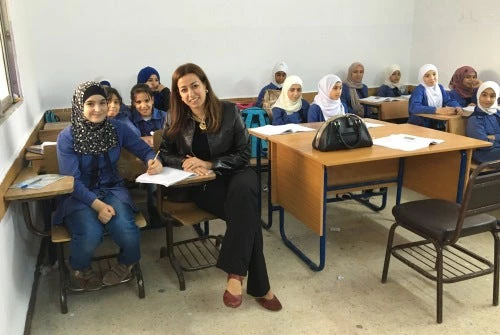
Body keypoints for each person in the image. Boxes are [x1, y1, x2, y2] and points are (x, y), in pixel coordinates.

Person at [158, 63, 282, 311]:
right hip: (205, 185)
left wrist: (210, 162)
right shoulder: (175, 117)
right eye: (183, 90)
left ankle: (235, 274)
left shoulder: (228, 111)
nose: (190, 94)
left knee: (246, 191)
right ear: (178, 94)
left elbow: (244, 153)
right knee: (247, 216)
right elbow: (164, 153)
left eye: (194, 86)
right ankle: (260, 287)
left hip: (235, 173)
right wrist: (184, 162)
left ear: (205, 85)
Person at [53, 81, 163, 290]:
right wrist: (98, 206)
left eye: (102, 102)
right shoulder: (67, 137)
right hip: (79, 194)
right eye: (90, 104)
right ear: (79, 106)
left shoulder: (117, 128)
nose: (98, 109)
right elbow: (72, 181)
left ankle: (127, 262)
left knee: (127, 231)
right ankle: (79, 268)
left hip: (112, 188)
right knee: (90, 233)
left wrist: (152, 160)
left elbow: (144, 150)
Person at [408, 64, 461, 128]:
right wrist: (436, 110)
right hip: (420, 125)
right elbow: (414, 107)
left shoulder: (440, 87)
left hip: (437, 124)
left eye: (434, 74)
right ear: (421, 78)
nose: (432, 78)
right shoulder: (419, 89)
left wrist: (457, 106)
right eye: (427, 76)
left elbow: (448, 100)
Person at [466, 81, 500, 163]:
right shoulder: (474, 119)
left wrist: (494, 137)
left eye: (492, 96)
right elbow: (483, 144)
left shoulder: (497, 113)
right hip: (484, 154)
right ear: (478, 96)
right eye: (484, 95)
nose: (488, 99)